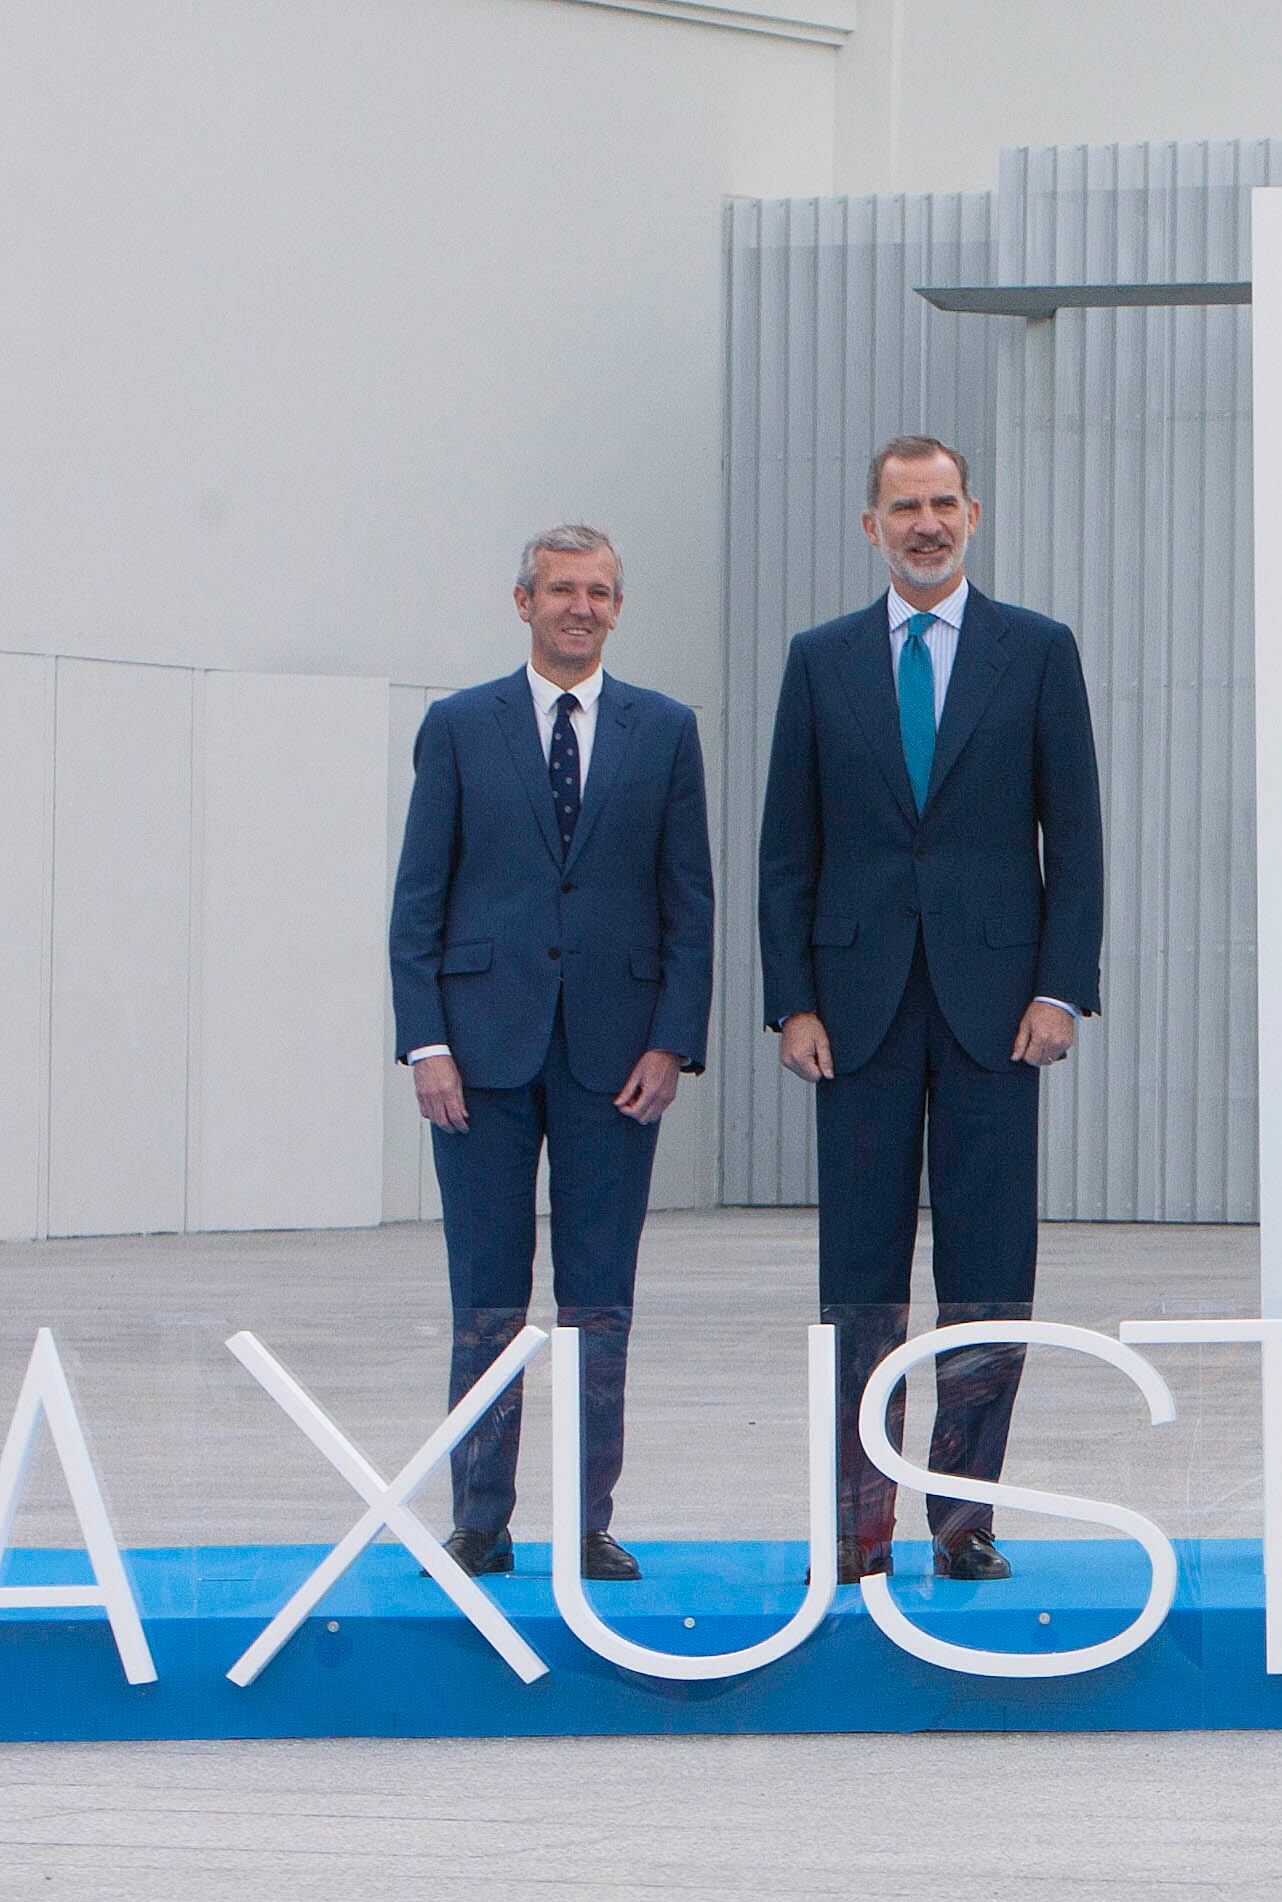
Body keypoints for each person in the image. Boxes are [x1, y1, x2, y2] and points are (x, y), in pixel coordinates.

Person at [758, 435, 1105, 1584]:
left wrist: (1060, 987)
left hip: (998, 1009)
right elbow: (785, 852)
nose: (925, 523)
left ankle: (963, 1520)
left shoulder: (1037, 653)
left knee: (989, 1269)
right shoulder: (819, 661)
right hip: (853, 1014)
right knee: (857, 1274)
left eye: (943, 503)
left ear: (974, 514)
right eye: (903, 506)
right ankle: (856, 1529)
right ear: (870, 526)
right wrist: (790, 1003)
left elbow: (1078, 839)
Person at [389, 525, 713, 1580]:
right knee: (485, 1294)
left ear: (619, 608)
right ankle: (480, 1517)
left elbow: (688, 904)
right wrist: (425, 1043)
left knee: (597, 1297)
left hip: (616, 1061)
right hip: (477, 1056)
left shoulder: (664, 730)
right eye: (563, 589)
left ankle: (585, 1517)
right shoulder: (457, 727)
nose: (582, 606)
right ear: (520, 600)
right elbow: (418, 902)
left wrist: (674, 1041)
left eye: (602, 592)